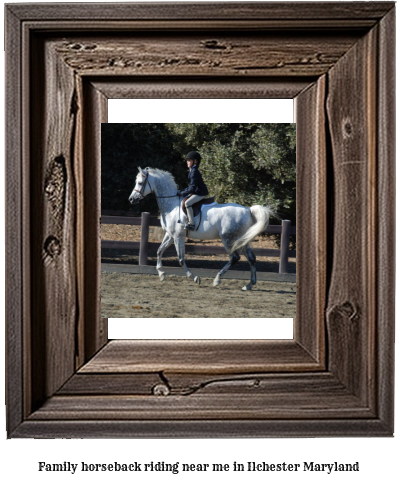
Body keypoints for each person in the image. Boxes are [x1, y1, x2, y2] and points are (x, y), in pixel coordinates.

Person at [177, 151, 209, 230]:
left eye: (189, 160)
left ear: (195, 161)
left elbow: (192, 188)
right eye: (187, 160)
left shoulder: (194, 172)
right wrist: (182, 192)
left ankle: (191, 223)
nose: (187, 162)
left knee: (187, 203)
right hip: (196, 191)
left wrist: (181, 193)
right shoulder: (192, 171)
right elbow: (191, 187)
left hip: (200, 193)